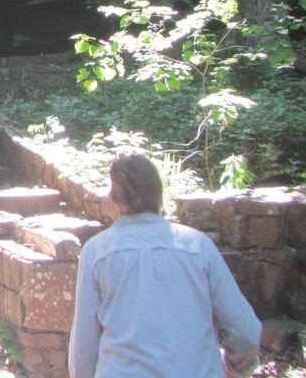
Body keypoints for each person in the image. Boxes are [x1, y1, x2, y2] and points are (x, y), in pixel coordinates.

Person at [68, 154, 263, 378]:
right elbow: (246, 330)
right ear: (160, 197)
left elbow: (83, 348)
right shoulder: (198, 247)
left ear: (114, 203)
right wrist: (234, 371)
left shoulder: (97, 253)